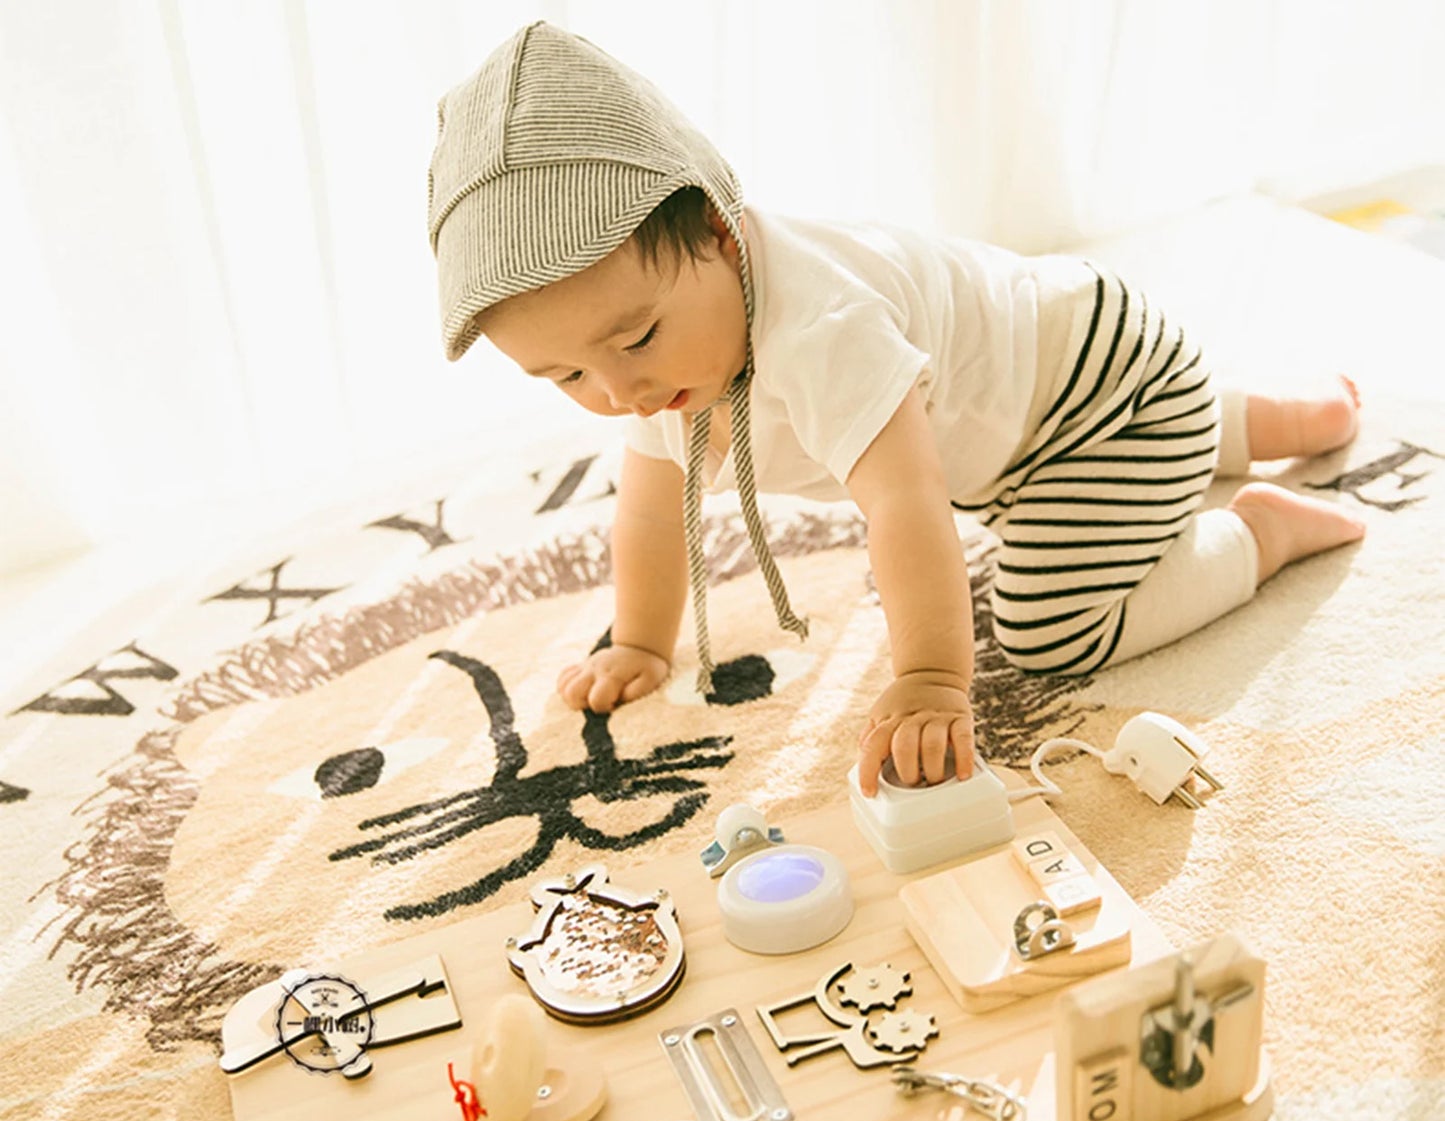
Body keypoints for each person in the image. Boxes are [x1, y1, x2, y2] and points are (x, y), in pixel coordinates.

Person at [427, 21, 1364, 797]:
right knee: (1103, 447)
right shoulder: (658, 349)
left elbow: (906, 502)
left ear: (717, 225)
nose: (618, 392)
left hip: (1105, 405)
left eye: (633, 343)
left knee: (1044, 627)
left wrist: (928, 679)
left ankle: (1253, 533)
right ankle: (1250, 421)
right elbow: (648, 506)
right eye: (564, 378)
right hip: (1066, 370)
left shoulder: (821, 326)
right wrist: (639, 638)